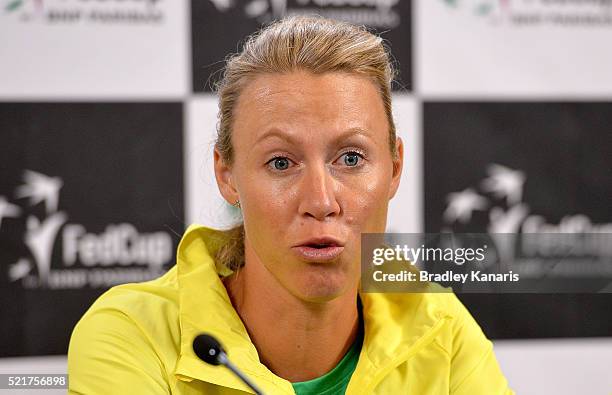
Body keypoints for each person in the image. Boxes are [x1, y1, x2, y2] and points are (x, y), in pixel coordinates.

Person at [68, 16, 514, 394]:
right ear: (227, 175)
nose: (321, 202)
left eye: (351, 158)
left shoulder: (438, 326)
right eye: (281, 162)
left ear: (395, 168)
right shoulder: (131, 334)